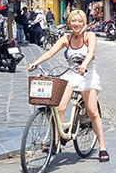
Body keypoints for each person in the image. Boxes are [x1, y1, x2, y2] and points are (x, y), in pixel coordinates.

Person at [27, 9, 109, 163]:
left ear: (84, 22)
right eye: (73, 21)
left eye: (79, 21)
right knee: (59, 107)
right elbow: (50, 53)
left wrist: (84, 64)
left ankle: (102, 146)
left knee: (92, 112)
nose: (76, 24)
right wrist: (35, 63)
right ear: (69, 22)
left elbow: (91, 52)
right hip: (70, 75)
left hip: (87, 75)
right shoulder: (66, 38)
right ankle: (56, 141)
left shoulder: (89, 36)